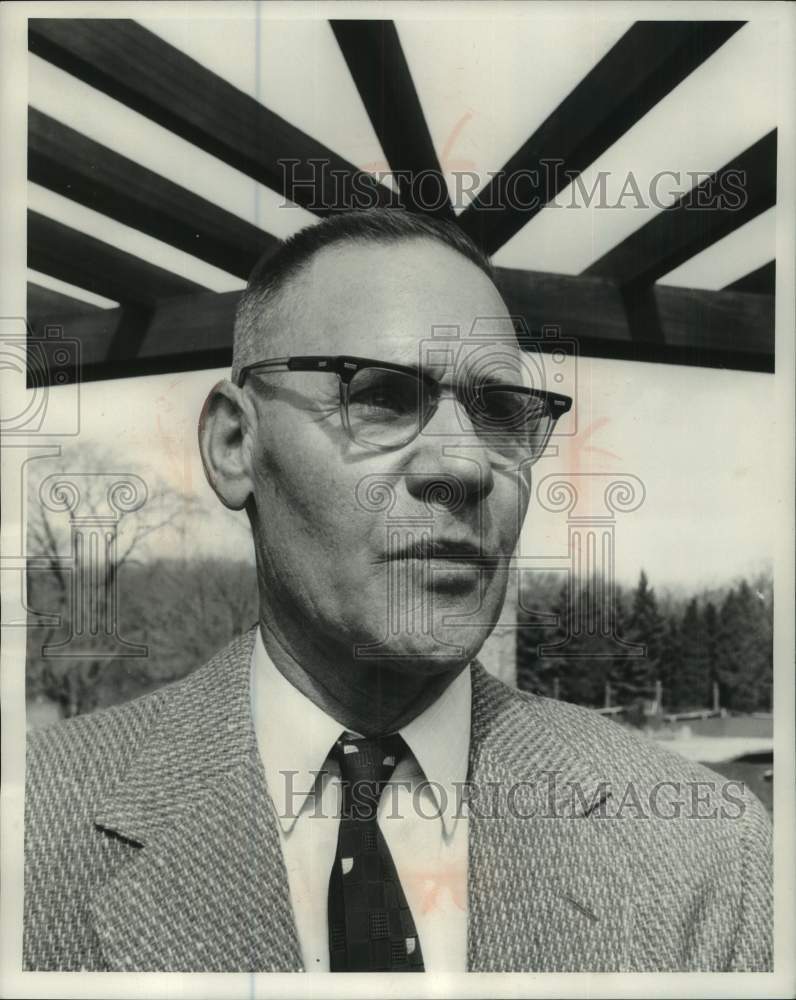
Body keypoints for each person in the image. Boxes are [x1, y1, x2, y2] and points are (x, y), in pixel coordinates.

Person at [23, 209, 772, 973]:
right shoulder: (31, 827)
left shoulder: (707, 851)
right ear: (235, 444)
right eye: (380, 397)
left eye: (499, 412)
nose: (464, 465)